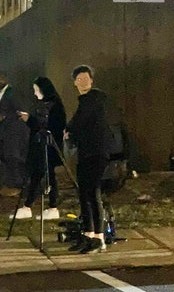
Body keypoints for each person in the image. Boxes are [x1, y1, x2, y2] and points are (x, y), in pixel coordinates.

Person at [65, 65, 109, 254]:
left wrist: (70, 131)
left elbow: (80, 123)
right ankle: (88, 235)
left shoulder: (95, 99)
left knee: (93, 193)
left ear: (91, 80)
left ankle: (99, 238)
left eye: (86, 78)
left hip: (97, 152)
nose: (83, 81)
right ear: (75, 82)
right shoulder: (84, 101)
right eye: (79, 78)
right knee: (84, 194)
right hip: (85, 152)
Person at [12, 77, 67, 220]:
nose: (35, 93)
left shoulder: (53, 105)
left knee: (44, 176)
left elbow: (49, 126)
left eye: (37, 90)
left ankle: (41, 206)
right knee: (40, 176)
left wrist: (30, 119)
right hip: (40, 146)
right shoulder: (45, 104)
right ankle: (34, 206)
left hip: (47, 147)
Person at [0, 73, 29, 197]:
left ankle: (17, 185)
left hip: (14, 130)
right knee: (7, 157)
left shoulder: (12, 93)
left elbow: (20, 110)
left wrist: (4, 117)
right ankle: (10, 183)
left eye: (1, 78)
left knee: (13, 157)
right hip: (5, 130)